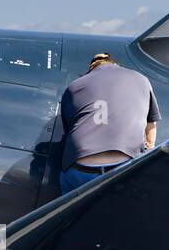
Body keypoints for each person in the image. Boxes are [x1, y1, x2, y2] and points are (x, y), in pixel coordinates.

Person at [58, 53, 160, 195]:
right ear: (115, 64)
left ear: (91, 69)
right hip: (122, 168)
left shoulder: (74, 86)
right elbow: (151, 125)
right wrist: (148, 153)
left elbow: (68, 130)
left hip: (81, 168)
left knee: (69, 212)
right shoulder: (141, 80)